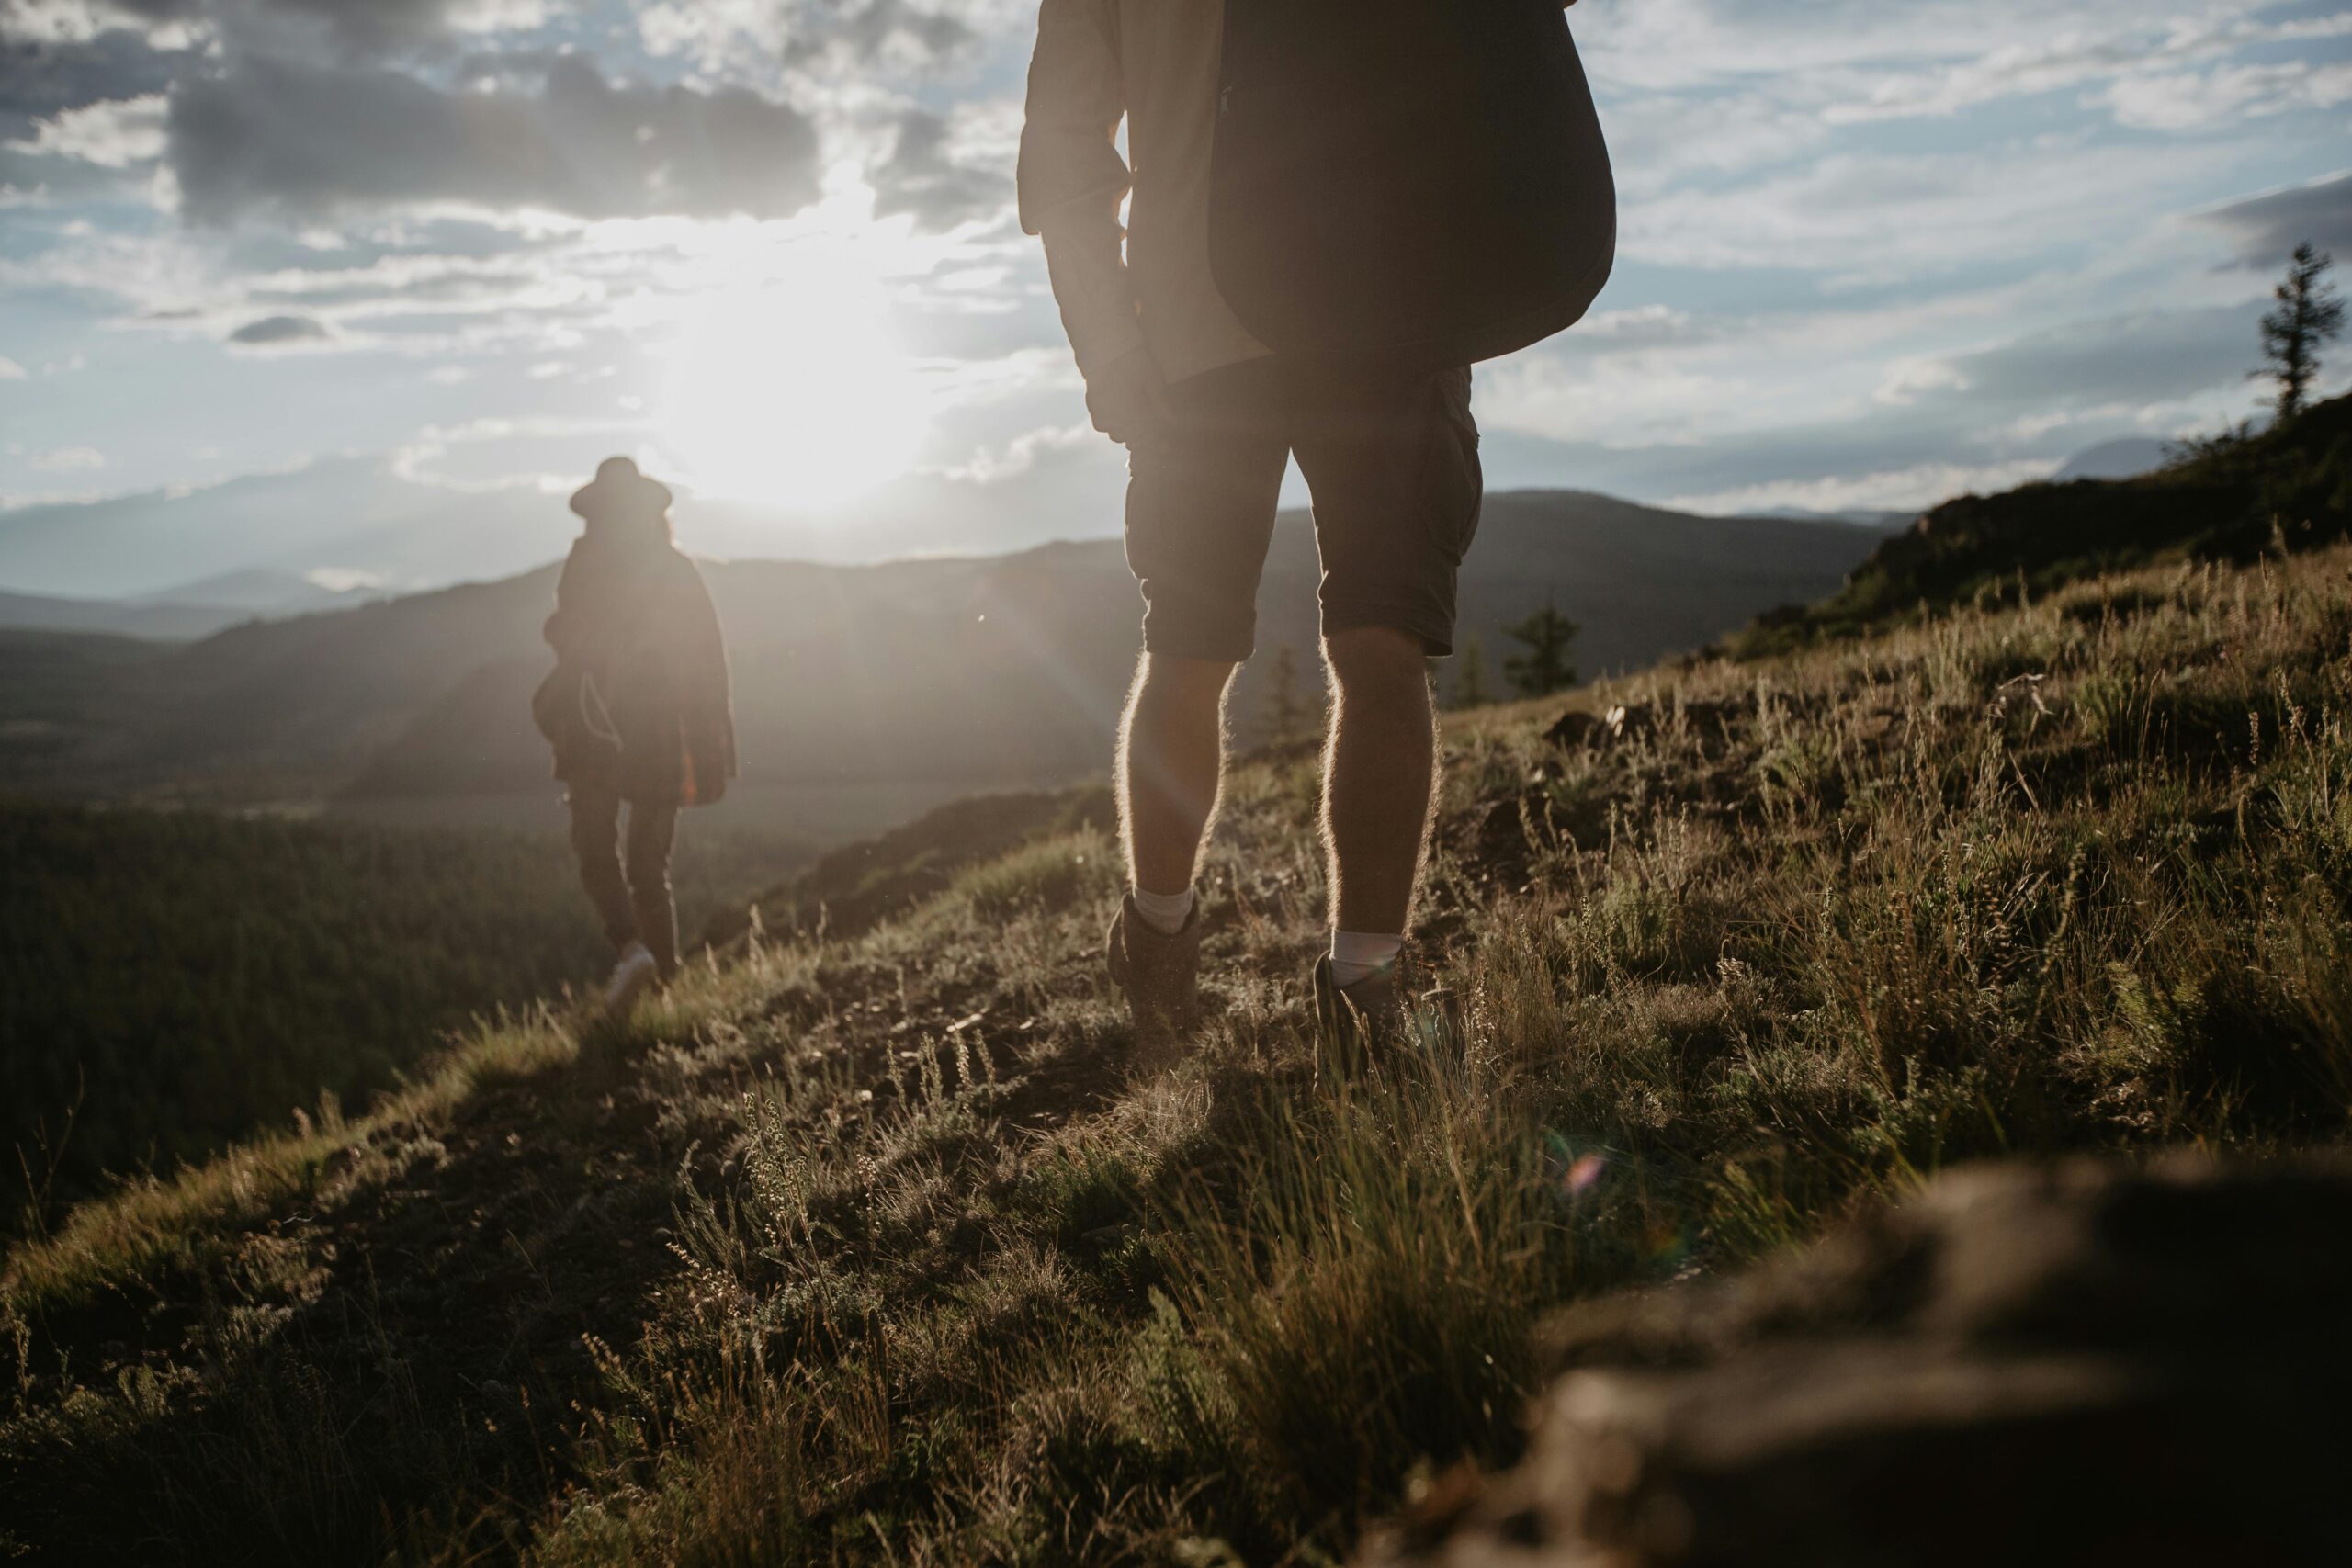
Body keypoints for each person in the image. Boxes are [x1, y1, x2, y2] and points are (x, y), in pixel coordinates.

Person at [1019, 4, 1500, 1062]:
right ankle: (1189, 945)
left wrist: (1111, 345)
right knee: (1237, 648)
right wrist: (1107, 350)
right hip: (1333, 327)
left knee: (1329, 646)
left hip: (1318, 331)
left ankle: (1329, 974)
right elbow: (1065, 147)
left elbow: (1063, 153)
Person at [534, 457, 736, 1015]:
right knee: (649, 863)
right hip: (660, 727)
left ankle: (632, 952)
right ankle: (662, 985)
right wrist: (706, 730)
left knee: (594, 844)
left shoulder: (585, 563)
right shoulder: (674, 568)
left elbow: (568, 634)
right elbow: (704, 656)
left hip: (593, 719)